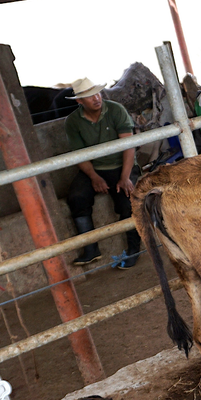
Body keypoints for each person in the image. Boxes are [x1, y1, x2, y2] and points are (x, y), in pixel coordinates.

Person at [64, 77, 142, 269]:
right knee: (76, 197)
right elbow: (80, 155)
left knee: (128, 198)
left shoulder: (115, 110)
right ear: (79, 101)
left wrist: (125, 177)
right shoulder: (73, 122)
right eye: (89, 96)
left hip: (122, 164)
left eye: (97, 93)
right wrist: (93, 176)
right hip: (94, 168)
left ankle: (135, 250)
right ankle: (91, 249)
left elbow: (128, 146)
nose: (96, 98)